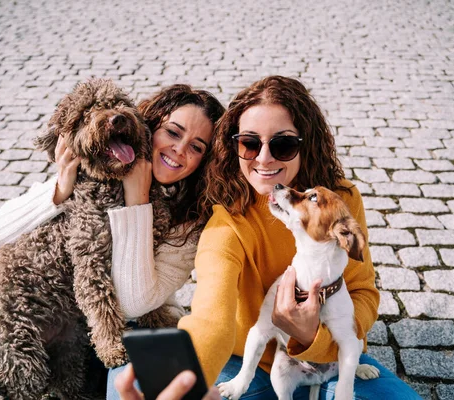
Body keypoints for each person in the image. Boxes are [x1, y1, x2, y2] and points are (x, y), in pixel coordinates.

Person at [0, 84, 225, 400]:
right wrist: (61, 189)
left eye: (197, 147)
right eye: (173, 132)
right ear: (151, 124)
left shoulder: (191, 220)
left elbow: (133, 302)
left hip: (136, 328)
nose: (179, 149)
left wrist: (137, 200)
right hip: (60, 321)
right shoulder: (96, 167)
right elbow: (0, 230)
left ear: (205, 159)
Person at [173, 76, 421, 399]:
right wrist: (182, 387)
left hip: (334, 360)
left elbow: (363, 293)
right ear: (234, 146)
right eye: (249, 143)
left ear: (306, 143)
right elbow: (210, 320)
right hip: (253, 369)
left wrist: (315, 338)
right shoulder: (228, 221)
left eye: (283, 145)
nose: (263, 158)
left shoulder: (339, 203)